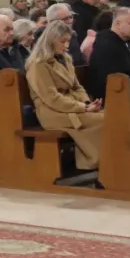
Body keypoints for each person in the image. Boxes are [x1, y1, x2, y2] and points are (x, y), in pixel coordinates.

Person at [24, 21, 104, 174]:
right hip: (52, 112)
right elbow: (52, 98)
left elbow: (76, 86)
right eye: (62, 41)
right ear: (51, 39)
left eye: (68, 41)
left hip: (70, 106)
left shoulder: (65, 58)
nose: (67, 46)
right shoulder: (38, 64)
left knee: (110, 116)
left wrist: (87, 102)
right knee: (103, 120)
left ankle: (106, 162)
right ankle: (98, 164)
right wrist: (84, 108)